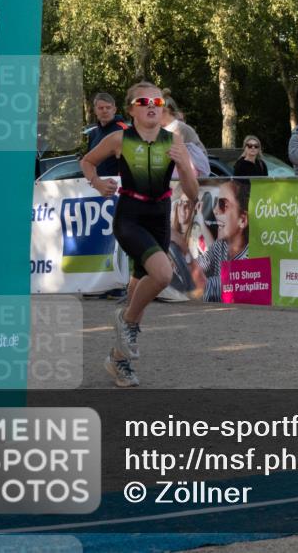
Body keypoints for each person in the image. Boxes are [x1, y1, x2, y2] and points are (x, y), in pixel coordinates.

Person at [80, 81, 199, 386]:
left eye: (157, 102)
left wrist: (184, 165)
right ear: (131, 109)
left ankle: (119, 361)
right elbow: (87, 162)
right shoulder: (119, 138)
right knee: (162, 274)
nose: (152, 106)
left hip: (160, 216)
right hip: (130, 216)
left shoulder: (174, 140)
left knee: (138, 295)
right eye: (144, 102)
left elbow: (193, 193)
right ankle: (126, 321)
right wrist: (98, 183)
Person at [192, 179, 250, 302]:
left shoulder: (250, 258)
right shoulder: (221, 245)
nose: (215, 210)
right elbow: (197, 266)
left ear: (242, 220)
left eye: (223, 205)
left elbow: (208, 288)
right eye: (216, 204)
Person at [160, 90, 210, 178]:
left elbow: (202, 157)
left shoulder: (181, 128)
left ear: (166, 111)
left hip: (188, 177)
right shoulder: (162, 129)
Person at [84, 92, 128, 176]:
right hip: (97, 182)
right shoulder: (93, 134)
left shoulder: (123, 130)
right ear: (95, 111)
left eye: (108, 107)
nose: (105, 111)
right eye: (101, 108)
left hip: (118, 182)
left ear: (114, 110)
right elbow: (90, 161)